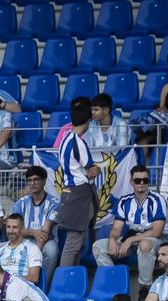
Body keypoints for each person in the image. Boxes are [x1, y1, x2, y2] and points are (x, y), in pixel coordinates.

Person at [94, 164, 166, 291]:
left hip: (157, 241)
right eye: (138, 181)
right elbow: (116, 228)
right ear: (131, 182)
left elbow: (157, 231)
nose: (142, 183)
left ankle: (145, 288)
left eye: (146, 180)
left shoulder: (157, 200)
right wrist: (112, 240)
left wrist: (130, 240)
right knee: (98, 246)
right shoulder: (125, 201)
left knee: (144, 244)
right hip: (132, 239)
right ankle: (114, 285)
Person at [54, 97, 101, 275]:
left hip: (70, 191)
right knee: (74, 241)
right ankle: (64, 278)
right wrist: (95, 169)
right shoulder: (78, 143)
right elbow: (91, 170)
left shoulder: (64, 139)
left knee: (78, 241)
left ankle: (71, 276)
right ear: (88, 121)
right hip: (79, 193)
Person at [12, 166, 60, 287]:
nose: (32, 183)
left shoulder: (54, 203)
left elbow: (45, 232)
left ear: (44, 181)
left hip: (47, 241)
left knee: (52, 251)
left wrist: (34, 249)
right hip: (22, 240)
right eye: (29, 180)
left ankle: (43, 288)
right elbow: (14, 230)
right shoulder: (21, 203)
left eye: (36, 179)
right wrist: (33, 232)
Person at [0, 214, 43, 286]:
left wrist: (8, 281)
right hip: (0, 292)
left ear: (22, 229)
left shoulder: (32, 249)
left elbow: (34, 277)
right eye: (8, 227)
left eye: (14, 227)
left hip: (22, 290)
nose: (11, 231)